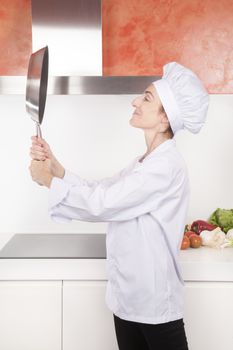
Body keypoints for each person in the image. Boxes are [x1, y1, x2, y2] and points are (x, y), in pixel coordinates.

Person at [29, 62, 209, 350]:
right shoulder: (145, 162)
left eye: (147, 98)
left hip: (153, 304)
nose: (135, 101)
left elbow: (103, 204)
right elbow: (104, 190)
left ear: (164, 120)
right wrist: (58, 169)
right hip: (128, 299)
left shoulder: (165, 167)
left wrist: (49, 182)